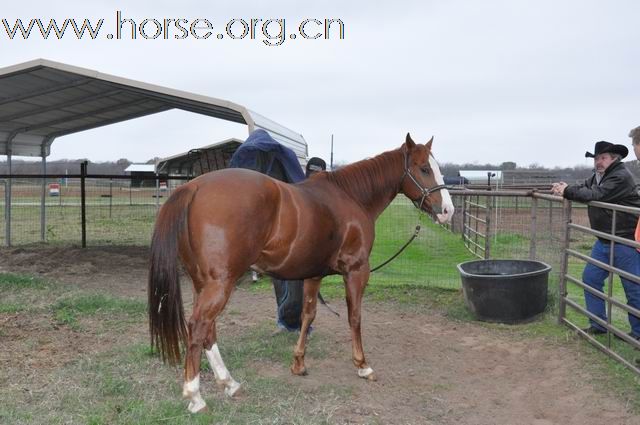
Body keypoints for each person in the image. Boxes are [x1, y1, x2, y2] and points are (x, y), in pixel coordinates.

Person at [551, 141, 640, 340]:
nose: (598, 162)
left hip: (624, 240)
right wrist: (562, 187)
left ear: (614, 159)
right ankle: (598, 324)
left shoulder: (620, 176)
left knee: (633, 288)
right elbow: (582, 187)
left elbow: (596, 195)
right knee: (591, 278)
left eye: (603, 158)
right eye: (596, 158)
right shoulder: (598, 176)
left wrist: (567, 191)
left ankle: (638, 333)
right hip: (605, 240)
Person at [272, 157, 327, 332]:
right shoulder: (296, 189)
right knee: (283, 287)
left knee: (301, 291)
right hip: (286, 248)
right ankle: (285, 320)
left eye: (318, 173)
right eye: (312, 172)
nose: (314, 176)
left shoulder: (325, 196)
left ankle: (297, 322)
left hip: (308, 252)